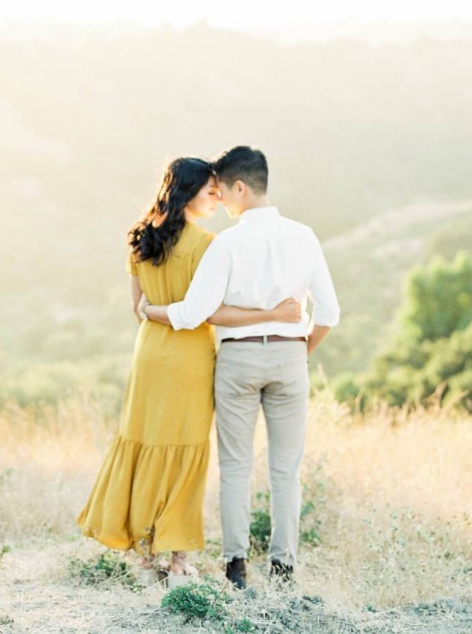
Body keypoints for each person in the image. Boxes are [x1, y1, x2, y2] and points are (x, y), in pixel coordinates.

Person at [76, 156, 302, 579]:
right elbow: (208, 313)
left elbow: (138, 308)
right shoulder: (206, 245)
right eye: (209, 191)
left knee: (144, 444)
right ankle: (177, 557)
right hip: (189, 357)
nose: (216, 198)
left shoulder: (139, 238)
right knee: (186, 452)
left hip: (149, 355)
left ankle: (145, 551)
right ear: (189, 192)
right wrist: (268, 314)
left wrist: (155, 312)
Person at [140, 146, 340, 589]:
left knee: (235, 466)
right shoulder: (304, 236)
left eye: (223, 193)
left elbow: (195, 313)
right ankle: (284, 570)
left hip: (238, 360)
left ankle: (236, 568)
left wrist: (151, 311)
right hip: (290, 356)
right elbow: (329, 313)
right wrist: (299, 349)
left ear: (241, 187)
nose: (223, 204)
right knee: (286, 468)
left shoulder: (227, 243)